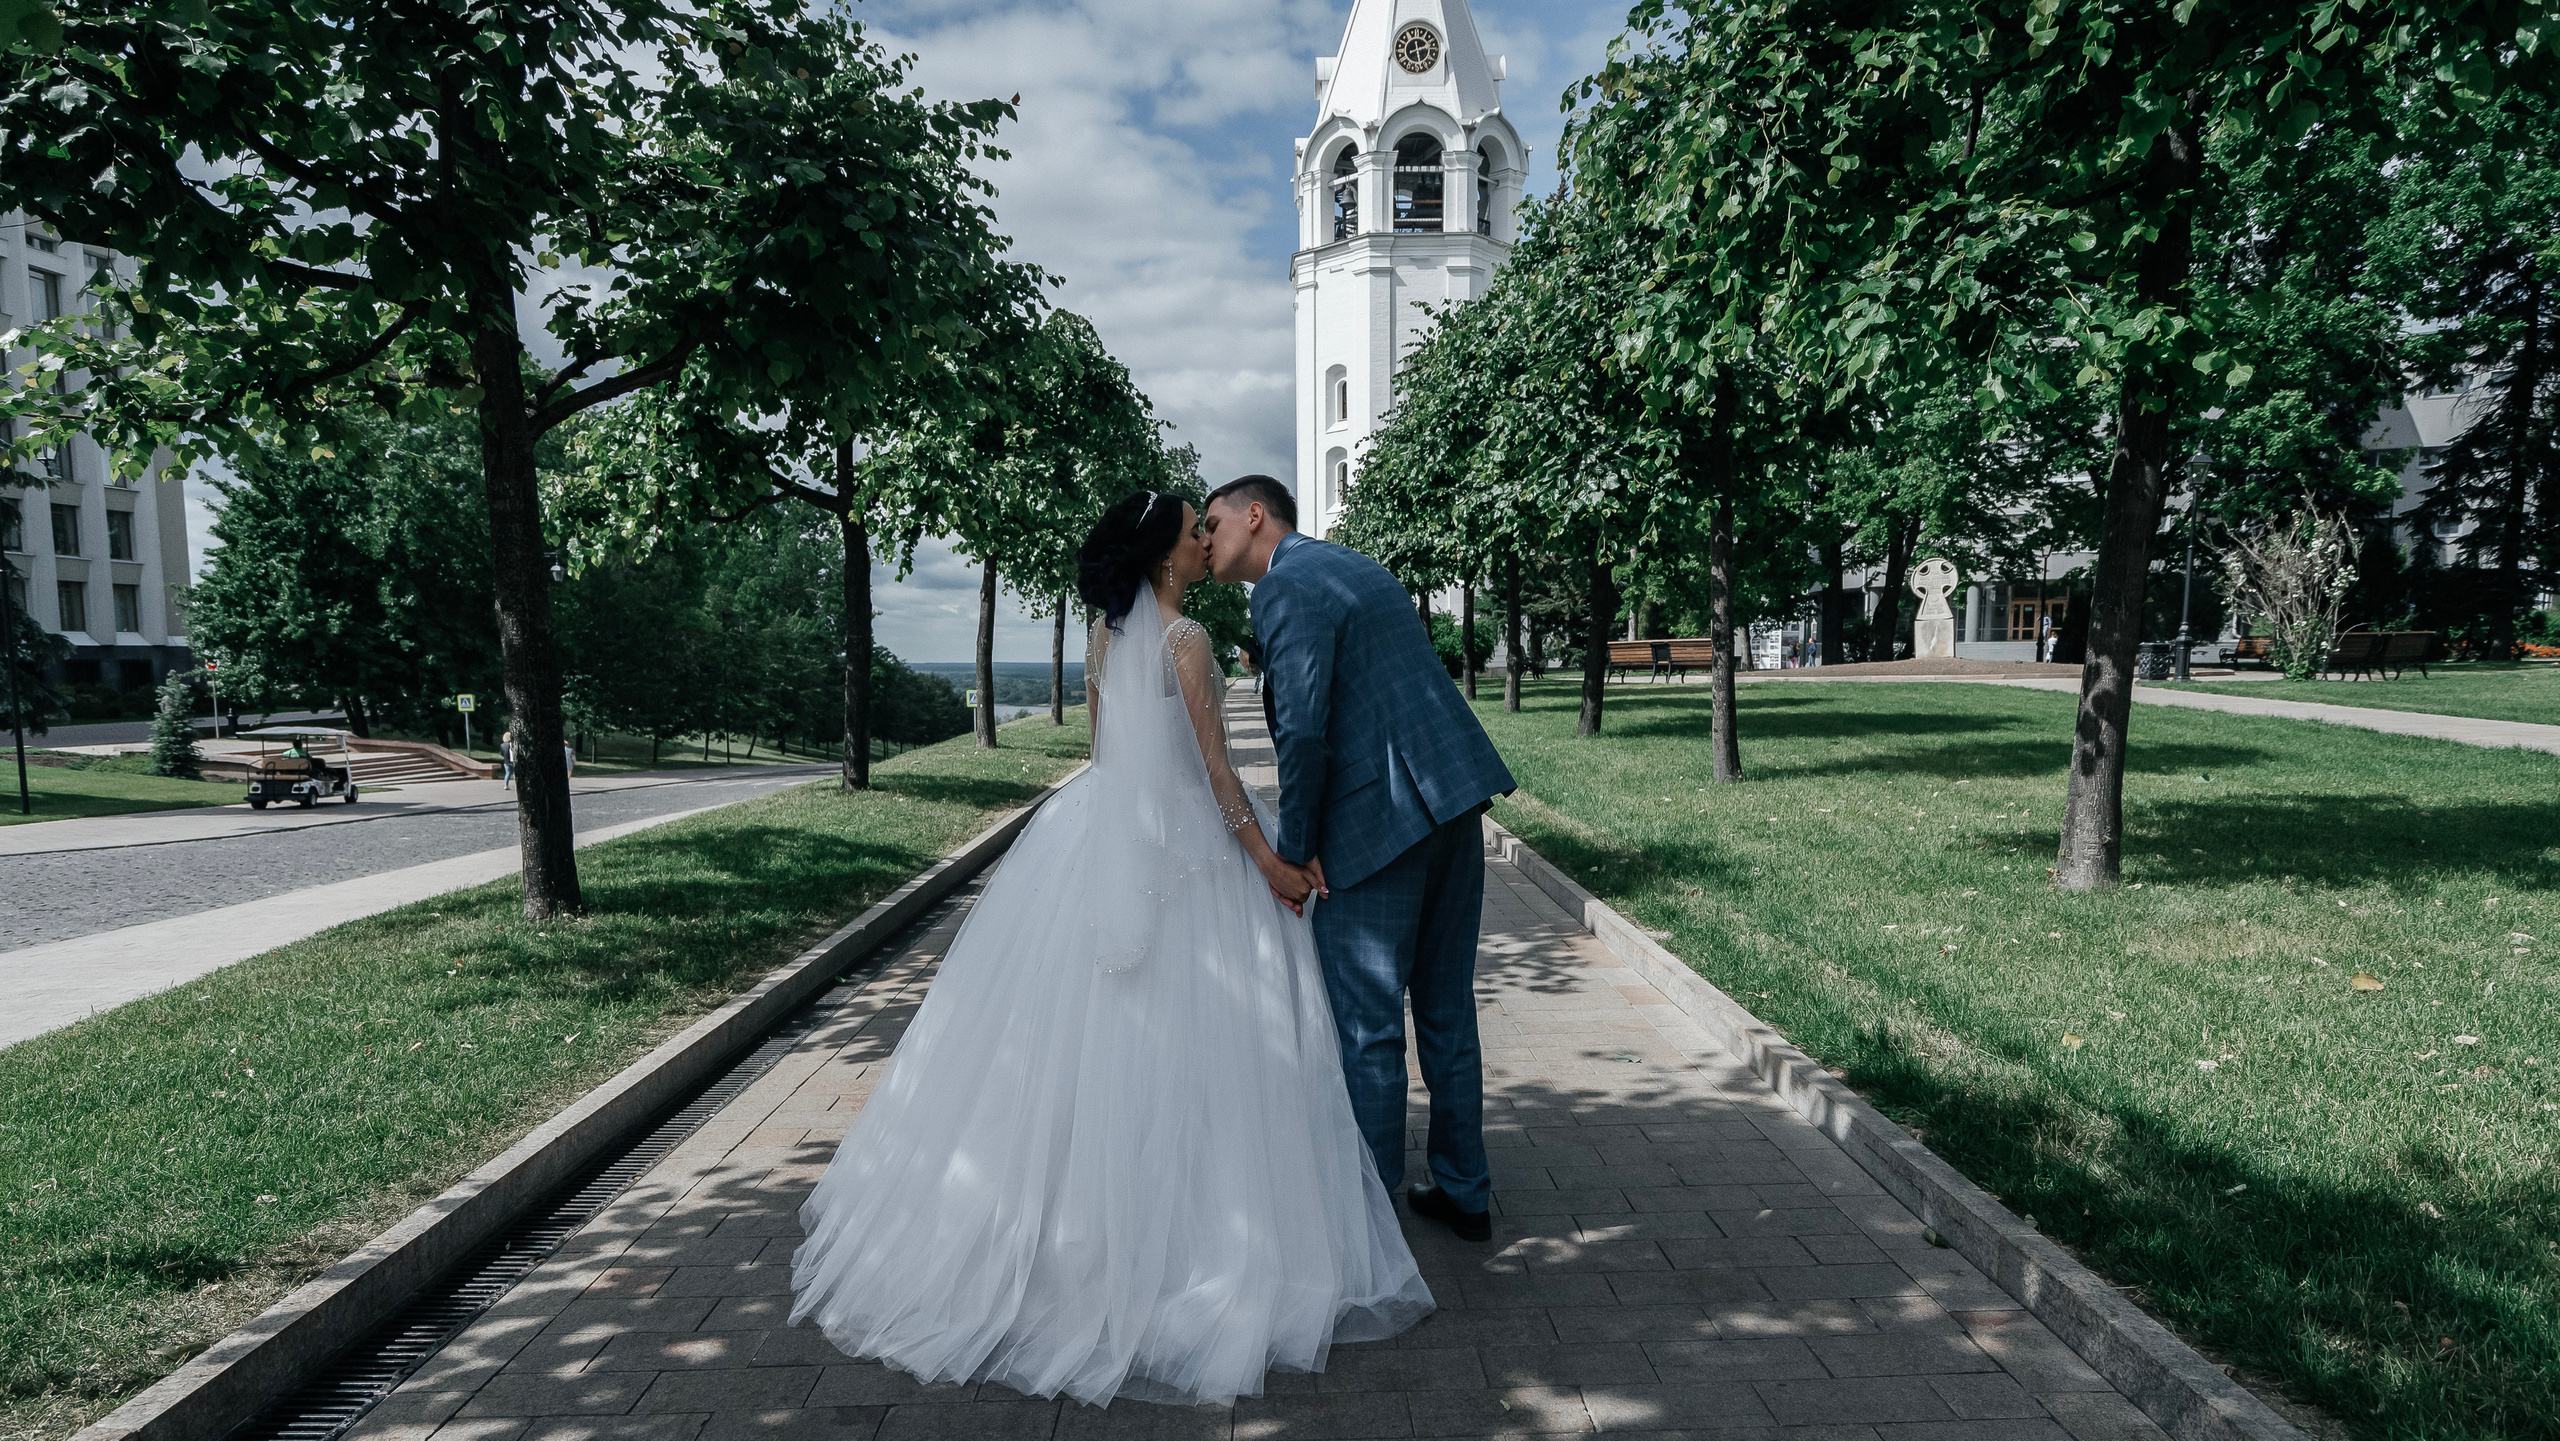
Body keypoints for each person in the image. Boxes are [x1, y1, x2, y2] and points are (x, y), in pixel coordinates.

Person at [790, 490, 1430, 1409]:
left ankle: (1068, 1226)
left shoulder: (1103, 636)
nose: (1207, 542)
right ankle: (1199, 1237)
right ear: (1166, 557)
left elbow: (1106, 755)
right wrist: (1272, 861)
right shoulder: (1189, 642)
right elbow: (1216, 776)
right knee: (1203, 1048)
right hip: (1186, 846)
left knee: (1081, 1040)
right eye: (1192, 532)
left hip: (1098, 834)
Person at [1201, 475, 1517, 1245]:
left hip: (1377, 826)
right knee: (1446, 1007)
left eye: (1212, 523)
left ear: (1255, 514)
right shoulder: (1353, 564)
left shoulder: (1284, 588)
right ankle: (1464, 1189)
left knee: (1369, 1025)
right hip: (1449, 798)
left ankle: (1372, 1221)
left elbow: (1305, 730)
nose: (1204, 541)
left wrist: (1294, 851)